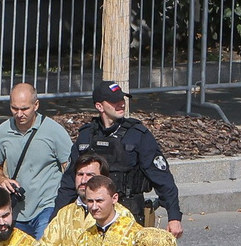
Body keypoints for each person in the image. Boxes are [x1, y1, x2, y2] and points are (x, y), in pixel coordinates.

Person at [58, 80, 184, 227]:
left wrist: (174, 216)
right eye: (114, 101)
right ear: (99, 106)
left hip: (129, 215)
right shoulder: (87, 135)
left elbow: (162, 178)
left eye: (122, 99)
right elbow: (69, 181)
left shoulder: (137, 135)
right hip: (92, 216)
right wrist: (56, 218)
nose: (121, 104)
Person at [0, 84, 74, 233]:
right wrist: (2, 180)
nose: (19, 114)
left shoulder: (54, 131)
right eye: (14, 108)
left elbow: (70, 167)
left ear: (36, 105)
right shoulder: (2, 132)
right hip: (17, 210)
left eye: (24, 109)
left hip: (47, 206)